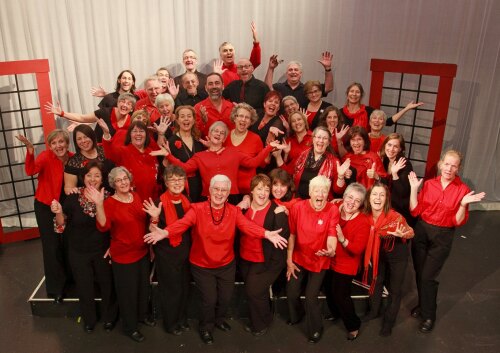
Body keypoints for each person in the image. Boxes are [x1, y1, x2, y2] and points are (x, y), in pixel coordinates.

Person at [143, 174, 287, 345]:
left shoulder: (233, 211)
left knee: (225, 298)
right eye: (216, 189)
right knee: (209, 300)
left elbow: (247, 226)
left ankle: (219, 320)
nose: (219, 193)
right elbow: (182, 224)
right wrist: (165, 232)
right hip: (202, 265)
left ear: (228, 194)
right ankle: (206, 327)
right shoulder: (196, 209)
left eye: (224, 190)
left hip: (226, 264)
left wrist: (266, 233)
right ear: (210, 191)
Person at [408, 150, 485, 333]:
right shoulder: (428, 184)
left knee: (428, 276)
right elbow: (415, 210)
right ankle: (422, 305)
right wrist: (413, 190)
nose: (449, 168)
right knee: (420, 273)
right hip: (421, 231)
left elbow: (458, 221)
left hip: (442, 236)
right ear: (440, 164)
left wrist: (463, 204)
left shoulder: (463, 190)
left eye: (454, 165)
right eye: (447, 164)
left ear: (459, 169)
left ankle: (429, 315)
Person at [88, 166, 154, 342]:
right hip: (124, 256)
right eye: (118, 180)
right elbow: (103, 226)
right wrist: (99, 204)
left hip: (142, 252)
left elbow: (143, 222)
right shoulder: (109, 203)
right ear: (113, 184)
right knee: (128, 294)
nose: (123, 182)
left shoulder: (137, 196)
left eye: (125, 178)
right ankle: (130, 327)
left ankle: (142, 316)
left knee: (142, 288)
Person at [51, 161, 118, 333]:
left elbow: (115, 225)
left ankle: (109, 317)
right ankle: (89, 319)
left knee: (107, 284)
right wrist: (58, 211)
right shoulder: (73, 196)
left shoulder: (109, 196)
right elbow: (61, 226)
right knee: (84, 285)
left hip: (103, 250)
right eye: (89, 175)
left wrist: (114, 246)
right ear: (83, 177)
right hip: (78, 251)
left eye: (97, 175)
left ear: (102, 178)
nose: (93, 179)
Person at [158, 121, 283, 204]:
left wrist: (269, 147)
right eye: (215, 131)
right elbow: (184, 168)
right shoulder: (200, 156)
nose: (218, 134)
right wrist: (168, 155)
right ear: (210, 134)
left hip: (232, 197)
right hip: (207, 197)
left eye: (222, 133)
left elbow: (253, 163)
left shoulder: (233, 152)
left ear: (224, 139)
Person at [16, 131, 73, 303]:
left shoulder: (73, 158)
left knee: (69, 243)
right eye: (54, 143)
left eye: (61, 142)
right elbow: (30, 170)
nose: (58, 146)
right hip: (45, 206)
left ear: (67, 143)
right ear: (50, 146)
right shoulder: (45, 157)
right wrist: (30, 151)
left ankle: (71, 278)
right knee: (52, 246)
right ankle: (56, 288)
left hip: (66, 206)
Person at [286, 175, 339, 343]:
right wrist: (289, 260)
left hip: (320, 260)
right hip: (299, 257)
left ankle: (316, 328)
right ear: (310, 192)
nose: (320, 194)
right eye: (317, 190)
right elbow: (292, 235)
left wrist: (331, 250)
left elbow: (332, 234)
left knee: (311, 296)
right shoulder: (298, 208)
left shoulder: (332, 210)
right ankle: (297, 315)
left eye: (324, 191)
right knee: (292, 292)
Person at [142, 166, 192, 335]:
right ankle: (171, 324)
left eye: (180, 179)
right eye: (172, 179)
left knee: (184, 288)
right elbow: (151, 231)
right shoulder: (158, 203)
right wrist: (155, 217)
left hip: (185, 253)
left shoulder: (187, 200)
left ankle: (182, 319)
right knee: (172, 291)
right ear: (165, 181)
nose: (177, 183)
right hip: (167, 254)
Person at [238, 174, 290, 336]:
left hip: (267, 261)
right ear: (252, 191)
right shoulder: (244, 207)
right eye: (259, 189)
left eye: (267, 190)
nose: (263, 193)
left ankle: (261, 324)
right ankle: (261, 320)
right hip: (245, 257)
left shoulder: (277, 211)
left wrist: (272, 266)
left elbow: (282, 241)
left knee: (254, 290)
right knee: (256, 292)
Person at [362, 183, 414, 337]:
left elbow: (411, 232)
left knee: (395, 289)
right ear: (369, 197)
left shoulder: (395, 216)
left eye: (381, 195)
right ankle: (374, 311)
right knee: (376, 281)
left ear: (386, 199)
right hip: (377, 253)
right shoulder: (365, 215)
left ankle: (389, 322)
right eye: (374, 194)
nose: (377, 198)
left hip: (397, 254)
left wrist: (402, 234)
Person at [328, 183, 370, 341]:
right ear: (344, 196)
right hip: (329, 258)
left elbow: (357, 249)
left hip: (347, 264)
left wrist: (342, 239)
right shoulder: (335, 207)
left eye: (357, 200)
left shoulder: (363, 221)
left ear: (361, 204)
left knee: (341, 295)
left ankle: (353, 325)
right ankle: (336, 313)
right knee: (328, 289)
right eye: (350, 197)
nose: (352, 202)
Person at [99, 120, 160, 201]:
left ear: (146, 135)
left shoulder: (151, 152)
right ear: (130, 135)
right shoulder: (124, 151)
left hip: (152, 200)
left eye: (141, 131)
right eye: (134, 131)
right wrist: (106, 134)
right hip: (132, 200)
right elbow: (109, 153)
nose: (138, 134)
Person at [45, 93, 135, 142]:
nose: (124, 105)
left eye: (129, 103)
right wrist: (62, 113)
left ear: (131, 109)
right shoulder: (105, 112)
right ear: (118, 103)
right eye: (122, 101)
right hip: (100, 151)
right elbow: (82, 117)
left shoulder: (132, 120)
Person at [292, 126, 350, 199]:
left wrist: (341, 177)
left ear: (328, 142)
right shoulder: (302, 155)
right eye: (318, 137)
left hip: (320, 204)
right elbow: (290, 174)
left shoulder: (334, 161)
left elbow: (338, 191)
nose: (321, 141)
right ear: (313, 139)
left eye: (325, 138)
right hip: (299, 201)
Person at [340, 82, 423, 130]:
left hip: (363, 151)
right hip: (343, 151)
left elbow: (388, 122)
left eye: (357, 92)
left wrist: (406, 109)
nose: (354, 94)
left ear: (361, 96)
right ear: (347, 95)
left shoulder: (368, 111)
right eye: (352, 91)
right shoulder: (340, 113)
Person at [264, 53, 334, 109]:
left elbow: (328, 88)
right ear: (286, 73)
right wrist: (271, 68)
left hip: (300, 123)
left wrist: (328, 68)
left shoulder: (307, 89)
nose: (293, 72)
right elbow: (267, 88)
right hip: (281, 123)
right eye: (290, 70)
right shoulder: (279, 87)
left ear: (300, 74)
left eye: (296, 70)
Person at [224, 103, 265, 197]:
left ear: (251, 122)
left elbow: (262, 164)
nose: (243, 119)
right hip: (227, 190)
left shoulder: (256, 139)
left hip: (247, 192)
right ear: (234, 118)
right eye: (241, 116)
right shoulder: (225, 136)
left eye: (247, 117)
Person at [167, 105, 206, 202]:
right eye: (182, 116)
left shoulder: (199, 140)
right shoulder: (171, 142)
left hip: (200, 185)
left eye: (189, 116)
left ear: (193, 120)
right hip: (181, 187)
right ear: (177, 120)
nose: (186, 119)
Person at [64, 124, 115, 194]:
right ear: (76, 142)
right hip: (87, 201)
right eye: (79, 139)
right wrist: (72, 190)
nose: (83, 141)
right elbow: (68, 188)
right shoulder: (73, 162)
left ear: (92, 137)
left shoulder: (104, 150)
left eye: (86, 137)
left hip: (111, 197)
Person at [380, 133, 416, 225]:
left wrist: (395, 174)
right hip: (387, 207)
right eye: (389, 145)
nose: (391, 149)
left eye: (395, 146)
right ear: (385, 145)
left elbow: (403, 192)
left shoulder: (405, 164)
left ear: (400, 149)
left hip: (400, 211)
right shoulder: (386, 160)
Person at [216, 21, 261, 86]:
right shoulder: (218, 71)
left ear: (234, 53)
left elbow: (255, 62)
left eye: (231, 50)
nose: (229, 52)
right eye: (225, 51)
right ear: (220, 55)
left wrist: (256, 41)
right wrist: (217, 75)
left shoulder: (241, 68)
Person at [194, 72, 234, 137]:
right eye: (210, 84)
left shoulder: (232, 107)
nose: (214, 86)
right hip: (207, 146)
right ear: (206, 88)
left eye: (217, 83)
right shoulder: (198, 108)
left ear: (223, 86)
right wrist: (203, 122)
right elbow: (195, 135)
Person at [277, 110, 312, 175]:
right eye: (293, 121)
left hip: (308, 177)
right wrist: (286, 154)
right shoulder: (288, 141)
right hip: (290, 178)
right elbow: (285, 163)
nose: (296, 122)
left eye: (299, 119)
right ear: (291, 126)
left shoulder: (315, 138)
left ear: (304, 121)